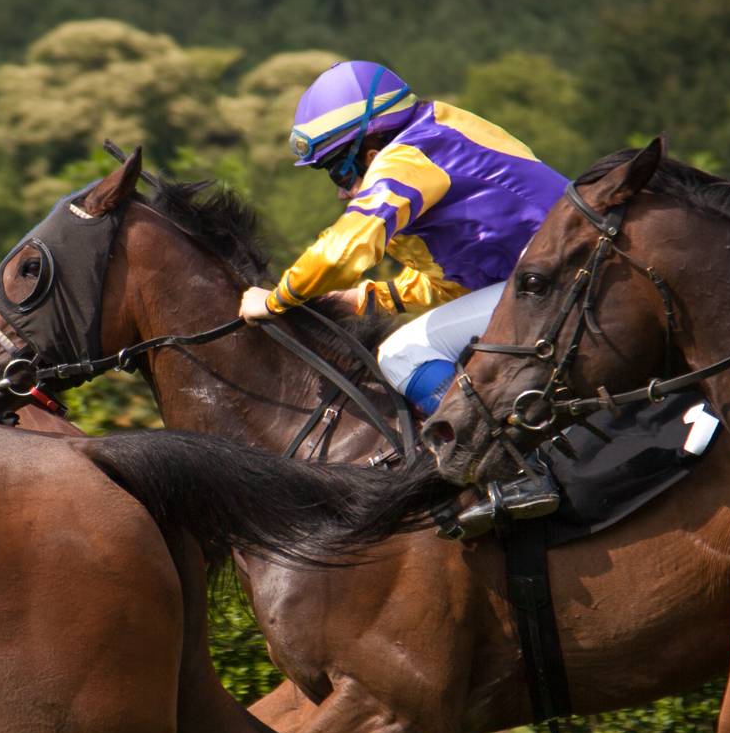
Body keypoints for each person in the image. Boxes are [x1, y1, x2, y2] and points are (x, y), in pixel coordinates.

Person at [238, 60, 569, 507]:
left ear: (370, 144)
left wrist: (278, 298)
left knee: (403, 353)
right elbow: (460, 276)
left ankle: (519, 469)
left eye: (339, 169)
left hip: (555, 283)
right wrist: (373, 296)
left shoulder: (408, 156)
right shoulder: (436, 134)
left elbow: (346, 248)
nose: (340, 190)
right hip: (555, 277)